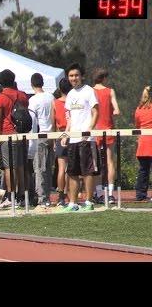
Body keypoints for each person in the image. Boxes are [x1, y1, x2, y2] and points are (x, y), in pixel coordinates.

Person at [60, 63, 100, 212]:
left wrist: (89, 130)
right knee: (72, 172)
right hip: (74, 139)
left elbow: (96, 112)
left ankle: (89, 202)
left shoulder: (89, 91)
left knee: (87, 171)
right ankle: (73, 203)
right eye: (71, 76)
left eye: (76, 75)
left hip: (87, 139)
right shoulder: (70, 94)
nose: (74, 78)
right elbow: (69, 119)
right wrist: (66, 134)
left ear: (81, 76)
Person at [0, 69, 29, 208]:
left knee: (9, 167)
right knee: (21, 166)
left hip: (7, 134)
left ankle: (11, 196)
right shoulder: (23, 95)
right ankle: (22, 196)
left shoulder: (0, 97)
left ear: (0, 82)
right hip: (23, 134)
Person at [92, 68, 120, 204]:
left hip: (95, 130)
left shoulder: (90, 91)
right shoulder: (110, 91)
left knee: (96, 163)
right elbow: (117, 110)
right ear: (104, 78)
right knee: (109, 162)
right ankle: (110, 193)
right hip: (108, 129)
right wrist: (110, 112)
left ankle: (98, 193)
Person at [28, 73, 56, 207]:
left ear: (32, 84)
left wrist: (31, 141)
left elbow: (33, 122)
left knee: (39, 168)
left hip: (40, 136)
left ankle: (41, 198)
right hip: (52, 135)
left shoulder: (33, 100)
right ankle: (47, 197)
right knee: (48, 168)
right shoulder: (51, 97)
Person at [53, 77, 72, 206]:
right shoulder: (72, 102)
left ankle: (60, 196)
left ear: (59, 89)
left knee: (61, 168)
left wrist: (55, 139)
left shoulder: (54, 103)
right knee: (70, 169)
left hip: (60, 134)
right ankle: (70, 194)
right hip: (72, 133)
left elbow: (53, 122)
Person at [134, 86, 152, 202]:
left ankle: (140, 195)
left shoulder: (139, 109)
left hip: (143, 143)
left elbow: (137, 125)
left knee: (143, 170)